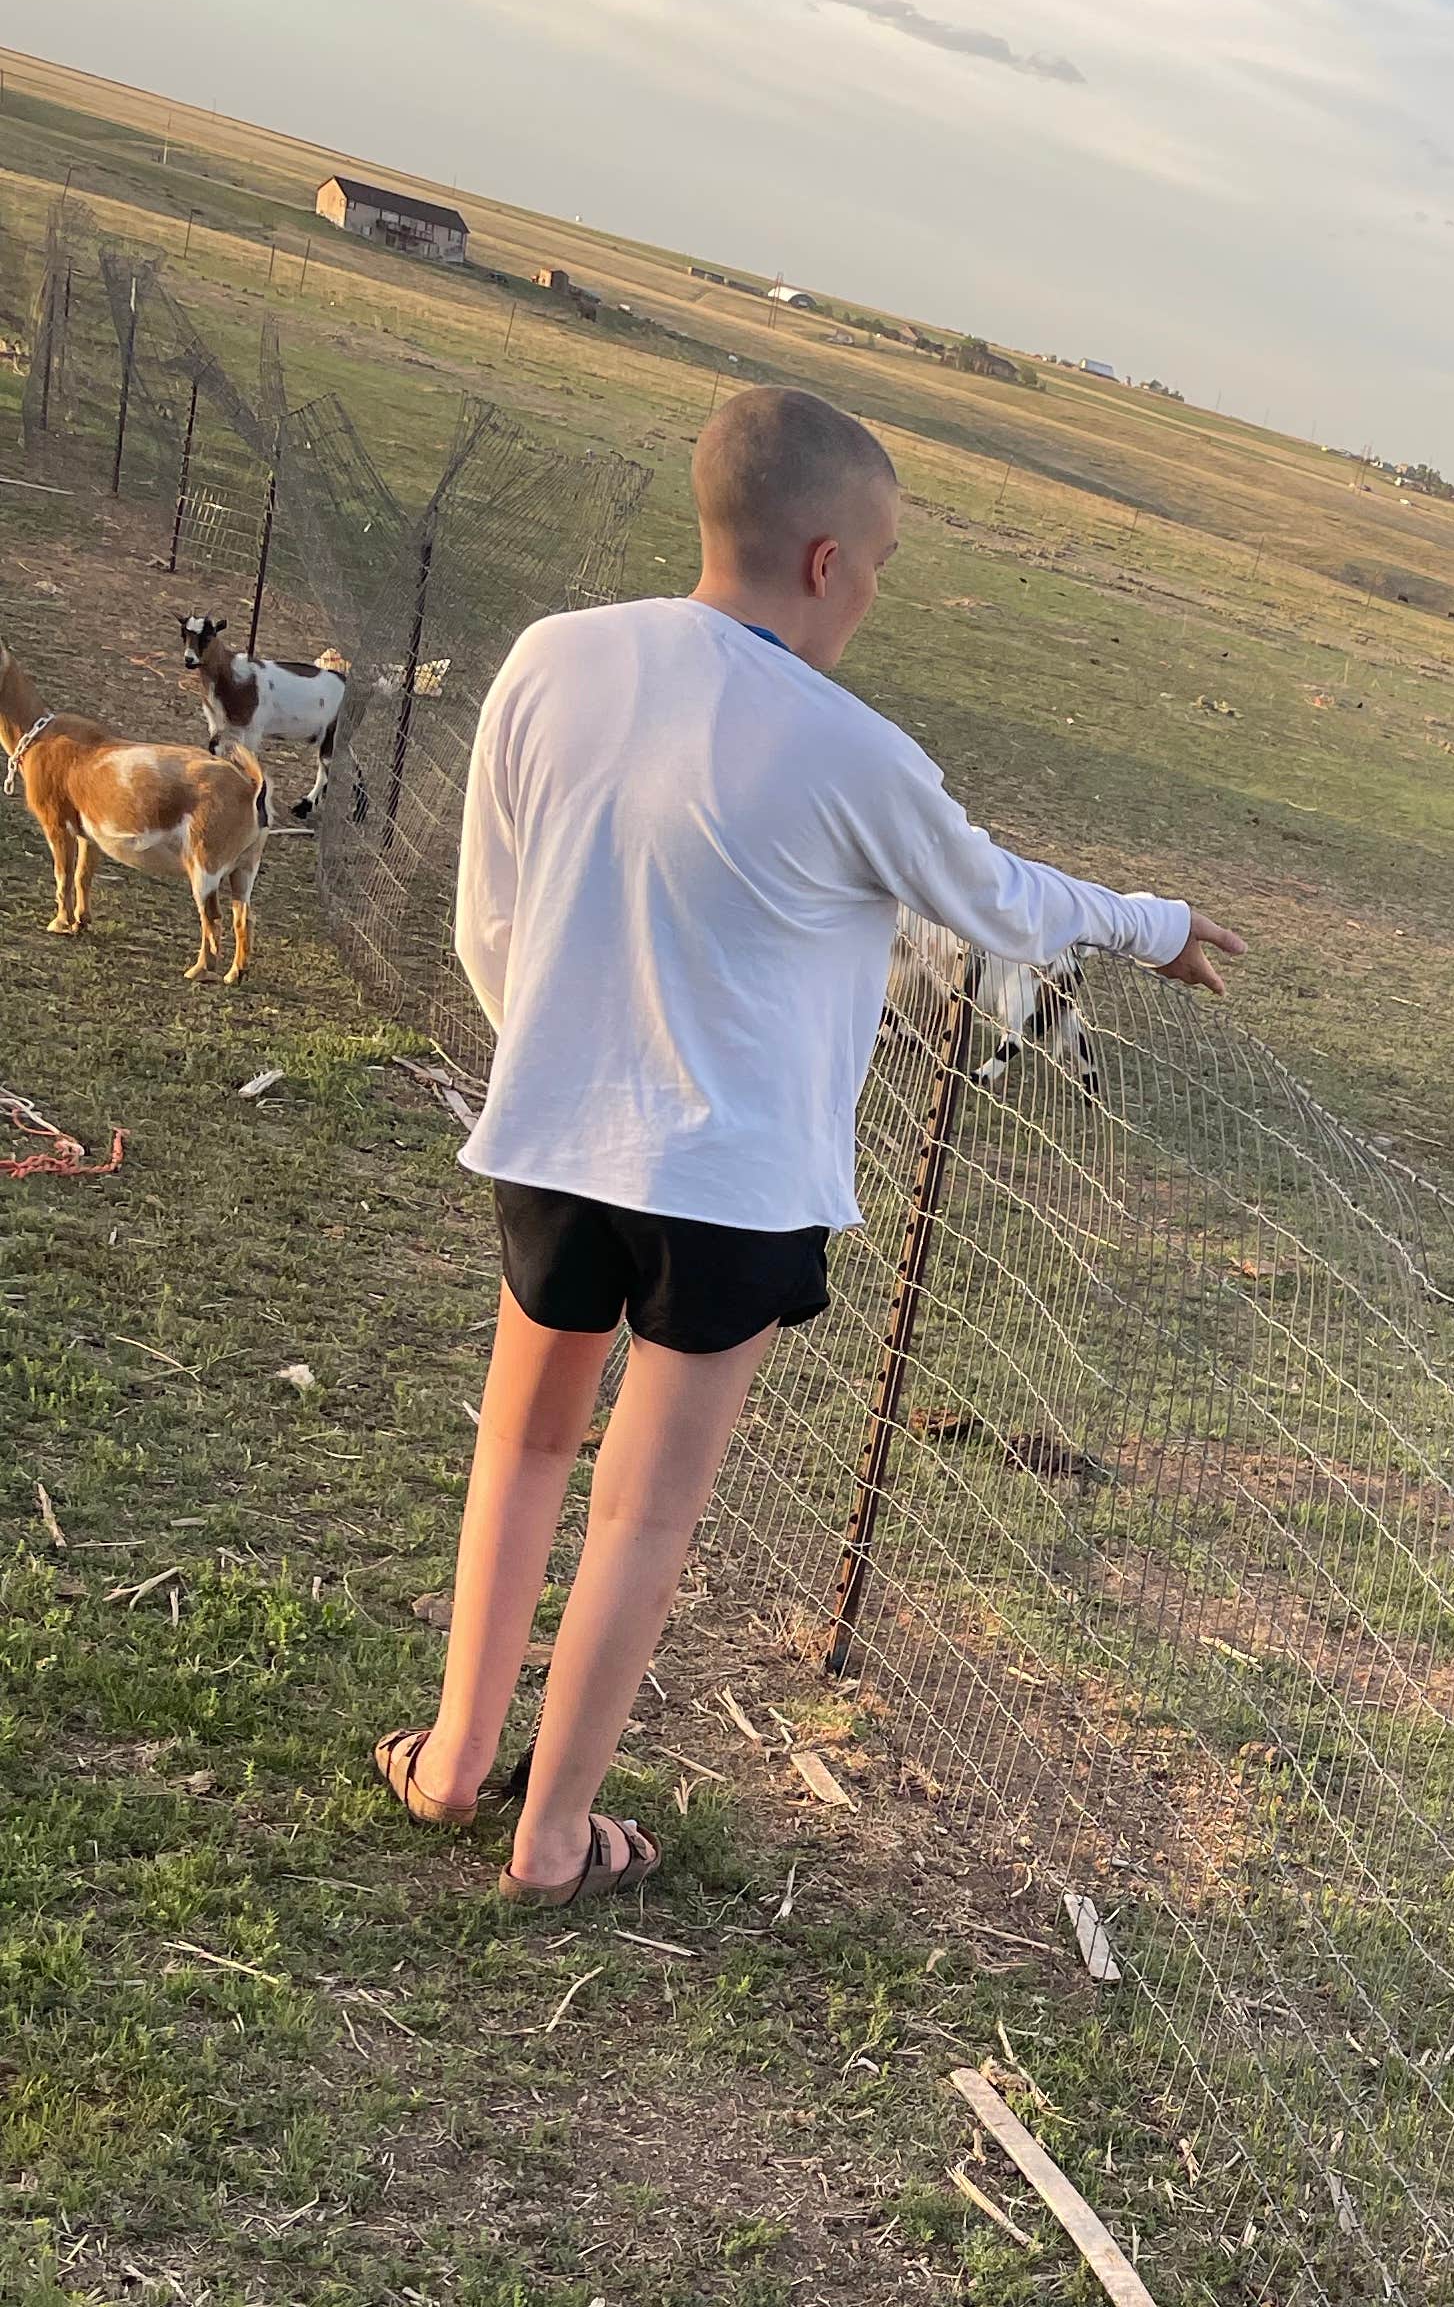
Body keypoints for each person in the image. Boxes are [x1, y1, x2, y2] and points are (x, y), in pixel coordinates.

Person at [377, 385, 1242, 1907]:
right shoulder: (857, 752)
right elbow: (1003, 905)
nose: (874, 595)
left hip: (554, 1139)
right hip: (734, 1189)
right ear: (829, 561)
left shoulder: (551, 657)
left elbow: (485, 920)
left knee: (520, 1448)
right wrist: (1153, 921)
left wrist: (565, 1063)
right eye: (883, 564)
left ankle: (454, 1761)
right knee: (647, 1511)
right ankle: (554, 1836)